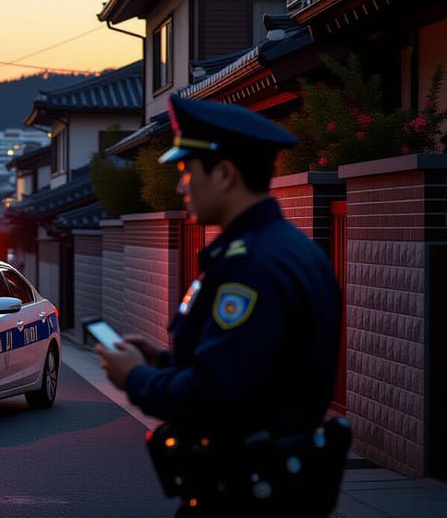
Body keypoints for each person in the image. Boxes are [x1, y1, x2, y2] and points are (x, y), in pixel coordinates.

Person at [96, 94, 347, 517]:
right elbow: (256, 370)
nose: (180, 186)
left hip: (244, 498)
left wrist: (136, 378)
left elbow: (216, 394)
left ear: (225, 174)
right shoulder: (291, 249)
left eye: (186, 171)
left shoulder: (249, 265)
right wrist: (160, 362)